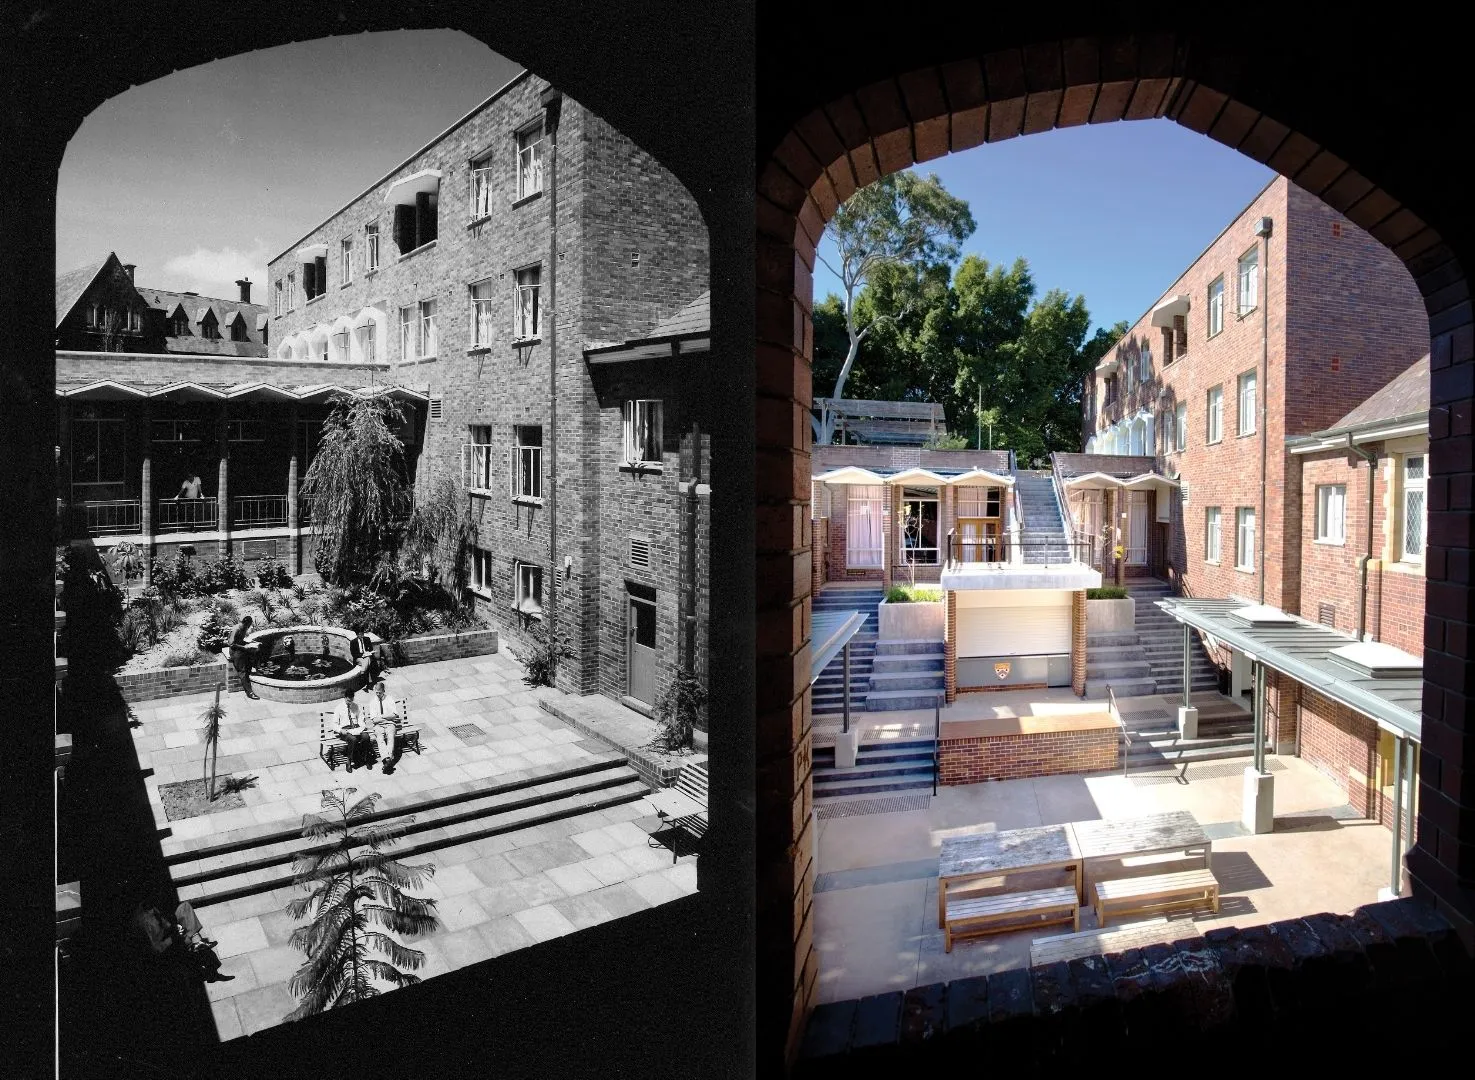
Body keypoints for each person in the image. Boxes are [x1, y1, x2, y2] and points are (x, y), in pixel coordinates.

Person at [131, 896, 231, 982]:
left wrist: (176, 928)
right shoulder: (144, 923)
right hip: (165, 946)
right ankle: (212, 973)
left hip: (169, 935)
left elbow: (165, 924)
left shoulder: (152, 909)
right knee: (199, 947)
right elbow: (156, 948)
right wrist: (173, 938)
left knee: (185, 907)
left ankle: (195, 940)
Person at [365, 679, 400, 772]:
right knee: (380, 738)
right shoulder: (373, 702)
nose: (378, 694)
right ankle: (388, 760)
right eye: (376, 692)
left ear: (383, 691)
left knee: (390, 736)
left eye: (379, 693)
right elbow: (374, 720)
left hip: (390, 724)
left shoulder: (389, 699)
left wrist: (382, 716)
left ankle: (387, 760)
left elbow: (394, 715)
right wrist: (386, 717)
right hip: (378, 725)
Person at [332, 687, 369, 771]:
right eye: (348, 701)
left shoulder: (355, 706)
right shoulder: (339, 708)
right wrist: (341, 730)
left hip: (356, 728)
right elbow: (334, 724)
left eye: (351, 700)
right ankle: (349, 761)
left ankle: (365, 758)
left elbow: (360, 718)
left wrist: (362, 727)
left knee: (366, 737)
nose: (350, 702)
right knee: (353, 739)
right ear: (345, 698)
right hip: (345, 730)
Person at [228, 615, 259, 699]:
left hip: (241, 648)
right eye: (248, 625)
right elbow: (231, 644)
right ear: (246, 623)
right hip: (235, 651)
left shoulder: (244, 628)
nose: (248, 627)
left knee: (255, 652)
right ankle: (249, 692)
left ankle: (254, 669)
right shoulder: (236, 629)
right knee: (242, 671)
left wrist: (250, 643)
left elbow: (240, 640)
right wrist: (244, 647)